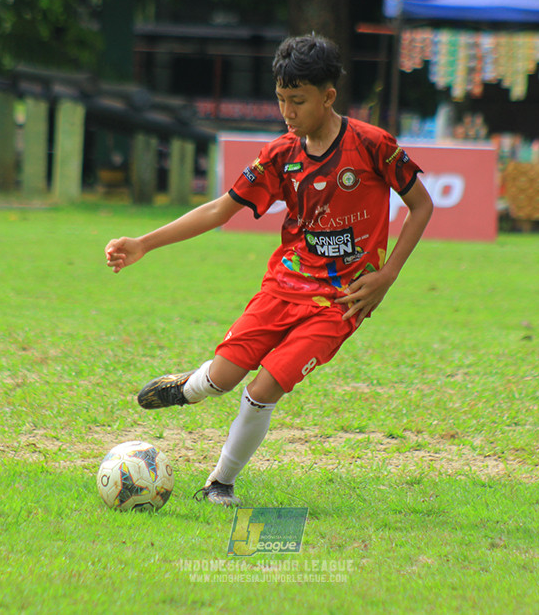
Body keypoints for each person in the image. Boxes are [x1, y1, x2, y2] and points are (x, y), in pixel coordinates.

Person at [105, 34, 433, 506]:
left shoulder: (372, 146)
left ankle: (219, 485)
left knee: (263, 388)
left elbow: (421, 206)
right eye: (281, 100)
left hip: (340, 302)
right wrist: (144, 243)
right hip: (282, 287)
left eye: (297, 101)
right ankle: (189, 388)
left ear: (328, 96)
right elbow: (219, 210)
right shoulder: (281, 155)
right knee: (221, 379)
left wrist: (387, 276)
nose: (288, 112)